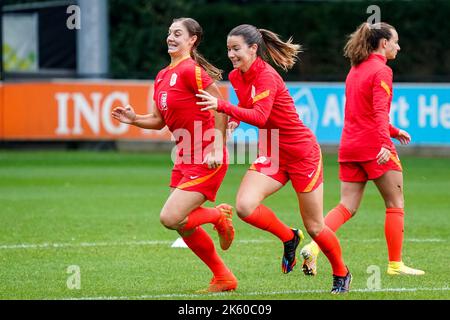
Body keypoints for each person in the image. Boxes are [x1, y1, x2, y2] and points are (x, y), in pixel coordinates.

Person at [196, 24, 351, 294]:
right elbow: (247, 109)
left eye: (236, 48)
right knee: (244, 206)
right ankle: (289, 238)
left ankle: (341, 272)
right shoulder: (236, 76)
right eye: (229, 49)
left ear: (253, 48)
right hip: (272, 152)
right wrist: (232, 120)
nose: (231, 54)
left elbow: (260, 116)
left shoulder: (267, 76)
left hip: (302, 153)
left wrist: (222, 107)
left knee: (315, 226)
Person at [112, 17, 238, 292]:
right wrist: (134, 120)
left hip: (207, 156)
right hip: (183, 157)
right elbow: (158, 120)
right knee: (182, 224)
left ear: (192, 40)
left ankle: (218, 216)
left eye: (177, 33)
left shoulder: (191, 70)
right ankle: (223, 277)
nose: (170, 37)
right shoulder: (161, 76)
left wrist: (217, 145)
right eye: (169, 32)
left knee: (170, 218)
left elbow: (219, 106)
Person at [300, 22, 424, 277]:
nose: (399, 47)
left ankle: (314, 247)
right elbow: (379, 111)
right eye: (396, 42)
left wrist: (393, 130)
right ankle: (395, 265)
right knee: (395, 202)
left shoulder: (355, 69)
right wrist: (384, 142)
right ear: (384, 43)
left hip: (349, 145)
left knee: (346, 205)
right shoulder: (382, 71)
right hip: (373, 146)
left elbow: (362, 112)